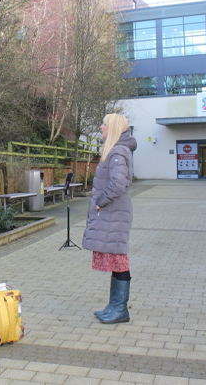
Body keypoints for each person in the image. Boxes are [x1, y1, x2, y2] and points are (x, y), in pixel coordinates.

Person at [82, 113, 137, 324]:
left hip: (114, 213)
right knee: (116, 260)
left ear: (112, 128)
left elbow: (118, 183)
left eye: (104, 124)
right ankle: (114, 306)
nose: (101, 127)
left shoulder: (117, 152)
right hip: (114, 213)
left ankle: (120, 309)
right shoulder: (117, 151)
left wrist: (100, 201)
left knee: (119, 260)